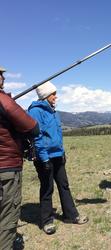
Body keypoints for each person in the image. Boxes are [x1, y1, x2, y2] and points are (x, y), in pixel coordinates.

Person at [28, 81, 88, 235]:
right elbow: (37, 137)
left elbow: (58, 134)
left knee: (64, 185)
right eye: (53, 93)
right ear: (45, 95)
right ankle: (47, 221)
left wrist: (62, 152)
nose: (56, 96)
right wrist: (44, 159)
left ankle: (71, 215)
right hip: (44, 158)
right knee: (47, 188)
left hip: (57, 155)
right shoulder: (35, 112)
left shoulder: (54, 111)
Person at [0, 66, 40, 250]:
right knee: (7, 215)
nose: (3, 79)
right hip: (6, 169)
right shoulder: (4, 101)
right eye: (0, 75)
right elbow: (32, 127)